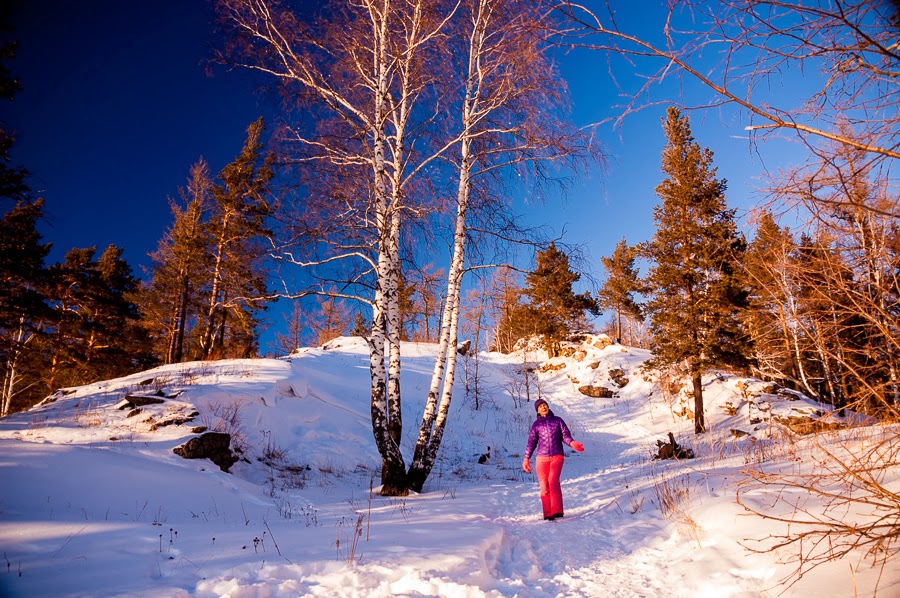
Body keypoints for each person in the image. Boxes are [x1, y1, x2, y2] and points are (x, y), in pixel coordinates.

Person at [522, 398, 584, 521]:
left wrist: (572, 443)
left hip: (557, 456)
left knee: (553, 480)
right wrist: (526, 458)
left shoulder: (558, 420)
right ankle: (548, 513)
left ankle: (557, 510)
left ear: (548, 406)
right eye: (540, 407)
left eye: (544, 405)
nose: (543, 407)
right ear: (537, 411)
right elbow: (531, 443)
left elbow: (565, 436)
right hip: (541, 458)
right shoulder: (536, 425)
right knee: (544, 486)